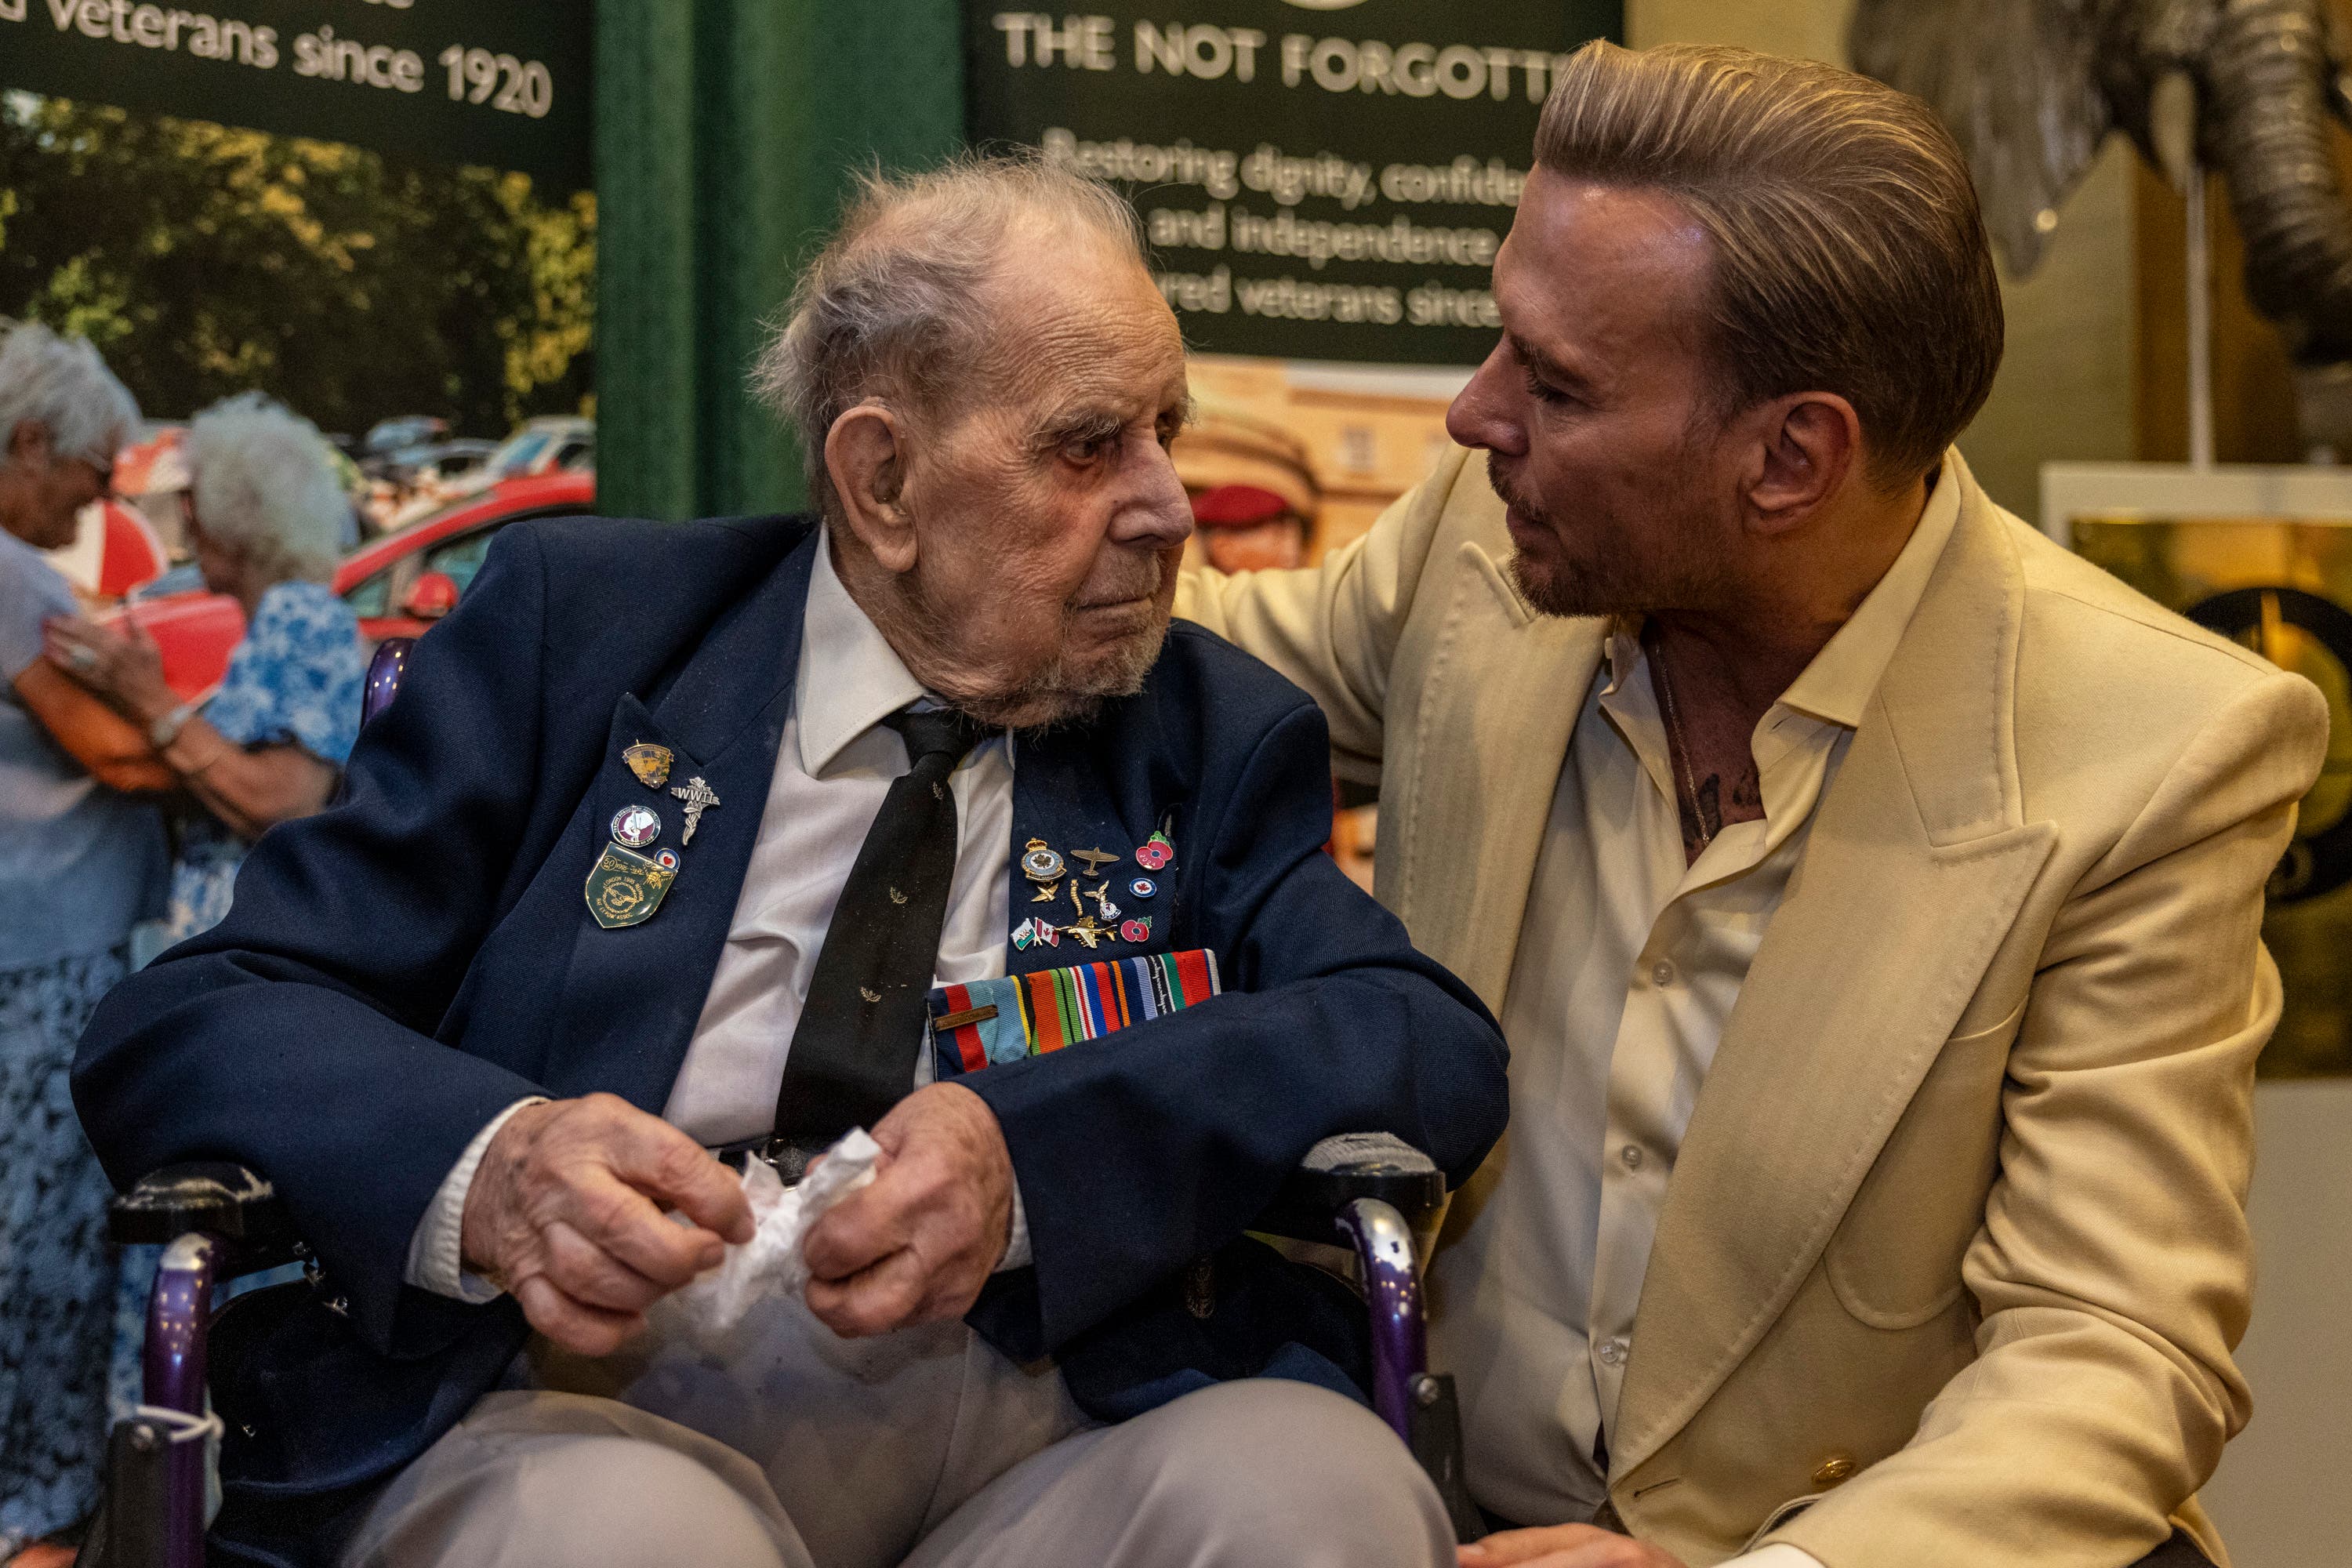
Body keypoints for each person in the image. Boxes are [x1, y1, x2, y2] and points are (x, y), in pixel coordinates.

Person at [74, 155, 1509, 1568]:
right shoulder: (583, 637)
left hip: (1038, 1410)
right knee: (638, 1546)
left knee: (1328, 1493)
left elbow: (1419, 1039)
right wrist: (500, 1167)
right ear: (881, 479)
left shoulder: (1207, 733)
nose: (1166, 505)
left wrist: (1040, 1155)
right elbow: (200, 1017)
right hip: (575, 1400)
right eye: (1087, 446)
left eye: (1165, 431)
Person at [1178, 42, 2328, 1568]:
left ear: (1794, 455)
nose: (1473, 414)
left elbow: (2113, 1350)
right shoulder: (1487, 546)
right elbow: (1183, 666)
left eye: (1559, 383)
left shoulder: (2153, 753)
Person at [45, 391, 367, 1423]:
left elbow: (285, 797)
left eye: (199, 508)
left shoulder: (305, 620)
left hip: (250, 974)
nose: (185, 529)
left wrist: (152, 706)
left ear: (235, 519)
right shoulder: (277, 622)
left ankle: (188, 1471)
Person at [0, 323, 162, 1567]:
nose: (102, 499)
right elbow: (109, 751)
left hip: (41, 936)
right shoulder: (9, 572)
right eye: (92, 473)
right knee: (42, 1236)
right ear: (27, 445)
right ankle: (37, 1513)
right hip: (46, 952)